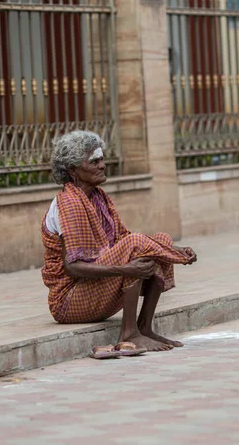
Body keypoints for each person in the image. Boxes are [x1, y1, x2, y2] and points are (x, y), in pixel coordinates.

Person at [41, 130, 197, 357]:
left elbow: (122, 238)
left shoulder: (99, 197)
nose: (102, 165)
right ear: (73, 170)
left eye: (102, 159)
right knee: (135, 246)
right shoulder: (69, 203)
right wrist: (126, 269)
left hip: (96, 291)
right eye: (94, 161)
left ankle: (144, 328)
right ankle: (128, 333)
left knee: (159, 239)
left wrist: (171, 249)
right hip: (69, 301)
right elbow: (72, 267)